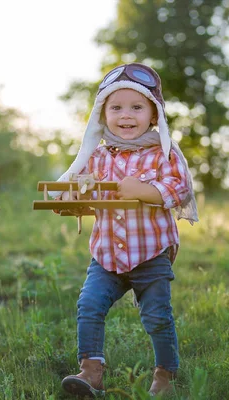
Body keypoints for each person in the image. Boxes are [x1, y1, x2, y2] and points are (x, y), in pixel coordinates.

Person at [53, 63, 199, 398]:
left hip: (150, 254)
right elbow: (83, 191)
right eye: (116, 107)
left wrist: (143, 190)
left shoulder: (163, 152)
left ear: (153, 114)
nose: (126, 115)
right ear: (103, 115)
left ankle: (165, 374)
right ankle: (91, 373)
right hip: (106, 255)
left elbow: (180, 189)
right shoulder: (97, 156)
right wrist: (71, 198)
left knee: (157, 316)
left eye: (137, 107)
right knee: (89, 305)